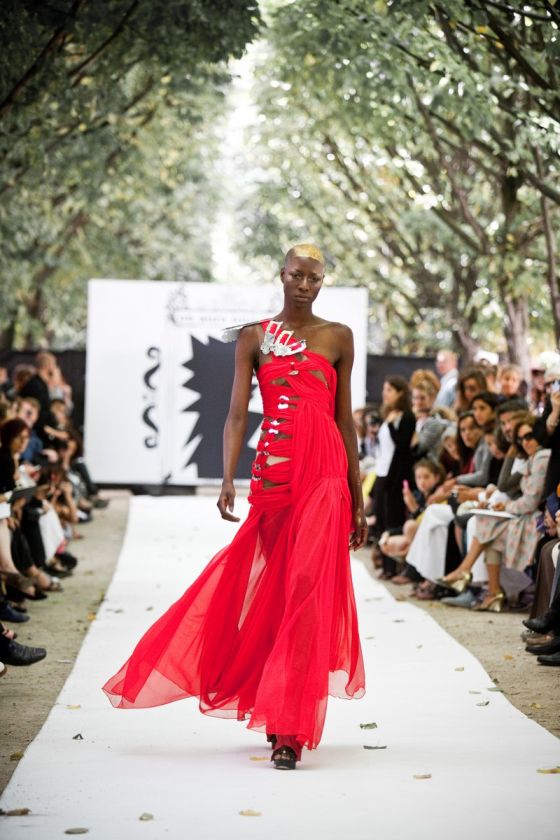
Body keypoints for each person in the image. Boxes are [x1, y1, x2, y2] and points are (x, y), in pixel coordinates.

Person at [103, 244, 367, 770]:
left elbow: (345, 421)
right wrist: (226, 477)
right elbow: (236, 417)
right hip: (273, 475)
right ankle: (273, 708)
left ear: (323, 281)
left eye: (315, 278)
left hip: (324, 475)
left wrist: (358, 499)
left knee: (307, 595)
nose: (305, 285)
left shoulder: (339, 337)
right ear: (281, 274)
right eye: (297, 275)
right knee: (272, 592)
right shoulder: (255, 335)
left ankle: (290, 728)